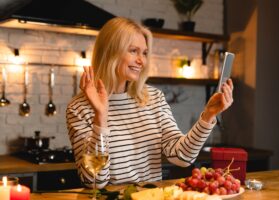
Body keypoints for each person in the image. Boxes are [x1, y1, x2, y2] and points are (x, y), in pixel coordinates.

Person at [66, 17, 234, 189]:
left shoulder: (154, 98)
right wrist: (100, 118)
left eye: (144, 53)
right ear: (110, 52)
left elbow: (182, 156)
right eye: (133, 51)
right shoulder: (79, 108)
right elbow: (95, 181)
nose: (141, 61)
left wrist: (208, 115)